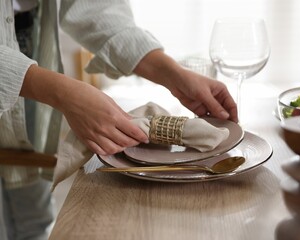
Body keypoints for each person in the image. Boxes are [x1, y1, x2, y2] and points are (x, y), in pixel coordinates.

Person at [0, 0, 238, 239]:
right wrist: (64, 94)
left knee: (34, 217)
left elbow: (94, 7)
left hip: (32, 39)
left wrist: (173, 74)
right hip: (21, 72)